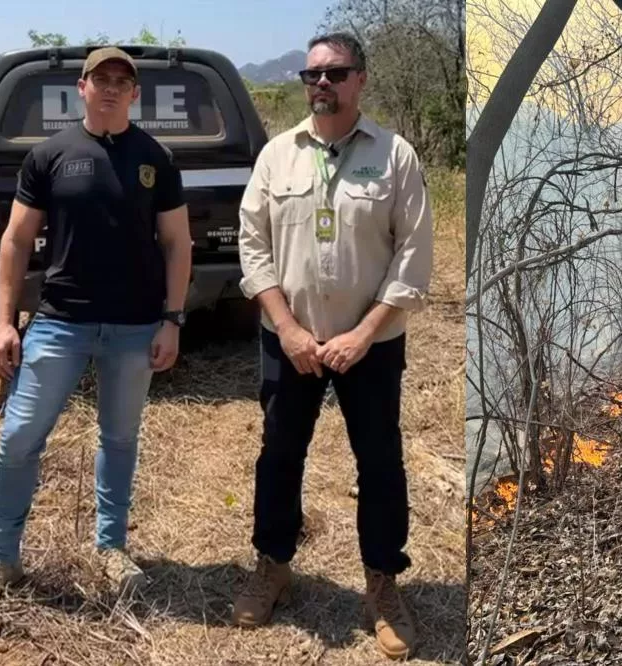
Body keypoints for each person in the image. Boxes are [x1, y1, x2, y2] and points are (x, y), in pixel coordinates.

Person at [0, 47, 192, 609]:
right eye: (101, 78)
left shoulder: (156, 157)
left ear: (134, 93)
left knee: (120, 439)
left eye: (122, 80)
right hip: (59, 322)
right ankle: (1, 558)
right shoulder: (49, 155)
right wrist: (4, 322)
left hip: (135, 326)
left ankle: (111, 548)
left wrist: (172, 320)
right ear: (82, 87)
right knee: (19, 438)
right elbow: (16, 241)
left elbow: (177, 243)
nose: (111, 87)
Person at [234, 31, 433, 660]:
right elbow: (253, 246)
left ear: (361, 80)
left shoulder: (395, 156)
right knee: (279, 454)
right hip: (289, 340)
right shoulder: (277, 156)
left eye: (336, 73)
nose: (322, 83)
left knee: (379, 461)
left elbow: (412, 257)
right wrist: (288, 327)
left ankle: (383, 584)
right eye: (312, 74)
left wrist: (363, 333)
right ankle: (273, 566)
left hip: (369, 344)